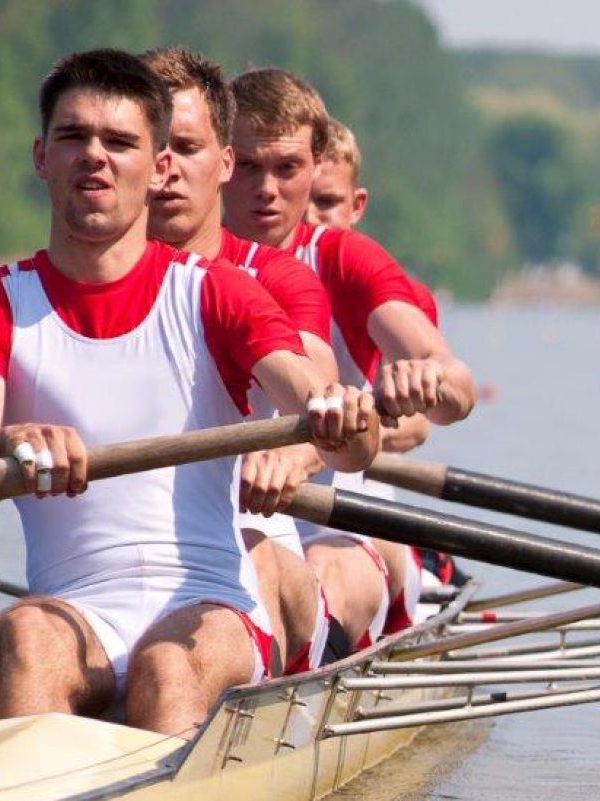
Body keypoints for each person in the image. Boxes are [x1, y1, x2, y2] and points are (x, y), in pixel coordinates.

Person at [0, 50, 378, 736]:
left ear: (156, 169)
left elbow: (329, 419)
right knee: (27, 636)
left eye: (119, 141)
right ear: (41, 156)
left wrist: (342, 417)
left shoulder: (218, 294)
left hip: (209, 605)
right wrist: (8, 438)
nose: (94, 157)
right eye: (73, 138)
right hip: (73, 612)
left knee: (164, 669)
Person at [223, 68, 476, 647]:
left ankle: (302, 667)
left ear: (312, 171)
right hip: (220, 529)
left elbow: (454, 390)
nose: (266, 189)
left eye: (285, 169)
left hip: (343, 525)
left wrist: (428, 377)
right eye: (250, 166)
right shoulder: (180, 266)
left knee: (324, 572)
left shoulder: (343, 259)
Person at [142, 45, 344, 674]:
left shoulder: (274, 279)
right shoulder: (58, 291)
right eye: (152, 145)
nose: (166, 167)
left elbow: (321, 395)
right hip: (122, 577)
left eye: (185, 147)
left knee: (252, 556)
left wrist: (291, 451)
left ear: (217, 162)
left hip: (261, 551)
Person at [306, 116, 466, 629]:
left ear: (357, 207)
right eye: (301, 196)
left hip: (359, 521)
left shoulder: (387, 293)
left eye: (326, 203)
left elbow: (418, 426)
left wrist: (342, 427)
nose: (308, 216)